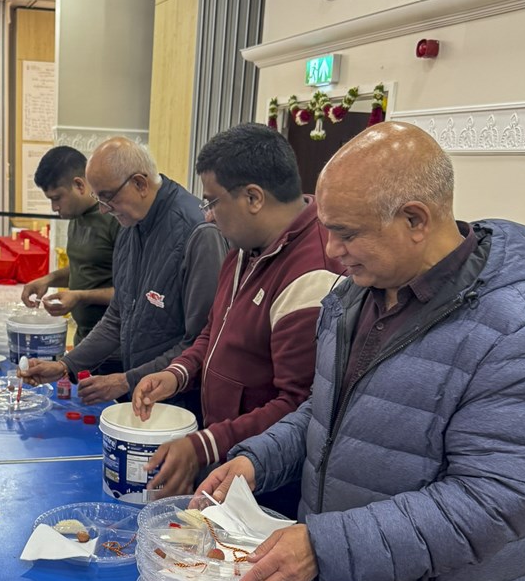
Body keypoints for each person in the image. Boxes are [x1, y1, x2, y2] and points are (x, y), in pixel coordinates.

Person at [198, 122, 525, 581]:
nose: (330, 251)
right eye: (327, 229)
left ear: (416, 220)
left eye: (347, 233)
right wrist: (256, 458)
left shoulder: (515, 328)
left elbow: (494, 499)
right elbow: (320, 411)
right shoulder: (355, 294)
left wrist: (323, 544)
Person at [131, 124, 342, 501]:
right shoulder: (244, 249)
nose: (208, 217)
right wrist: (176, 374)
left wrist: (203, 445)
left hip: (266, 480)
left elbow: (298, 406)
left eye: (212, 202)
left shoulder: (312, 273)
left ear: (253, 198)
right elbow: (213, 333)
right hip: (225, 457)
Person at [21, 137, 227, 407]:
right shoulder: (131, 226)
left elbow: (203, 341)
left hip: (181, 404)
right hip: (142, 397)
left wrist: (126, 380)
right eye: (98, 199)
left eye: (107, 197)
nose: (103, 209)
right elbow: (117, 317)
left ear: (140, 184)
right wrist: (65, 366)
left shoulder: (198, 233)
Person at [21, 146, 119, 356]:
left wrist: (79, 296)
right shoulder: (77, 216)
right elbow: (84, 268)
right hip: (84, 340)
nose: (54, 207)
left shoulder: (115, 219)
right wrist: (48, 280)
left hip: (113, 348)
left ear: (79, 185)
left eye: (57, 198)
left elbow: (130, 292)